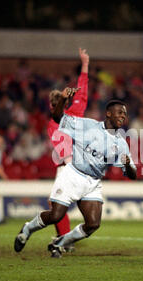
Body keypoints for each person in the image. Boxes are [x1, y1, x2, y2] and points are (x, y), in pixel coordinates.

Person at [14, 90, 137, 258]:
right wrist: (64, 98)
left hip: (93, 183)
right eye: (120, 112)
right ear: (108, 113)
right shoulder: (88, 125)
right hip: (73, 175)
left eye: (125, 114)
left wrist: (128, 165)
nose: (123, 116)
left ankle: (59, 243)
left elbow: (132, 174)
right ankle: (28, 228)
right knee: (56, 216)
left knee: (93, 224)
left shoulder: (121, 143)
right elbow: (59, 118)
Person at [46, 48, 89, 251]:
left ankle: (64, 240)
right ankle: (65, 239)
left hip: (69, 167)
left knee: (56, 205)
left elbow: (63, 152)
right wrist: (85, 66)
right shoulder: (77, 112)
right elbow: (83, 90)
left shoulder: (52, 124)